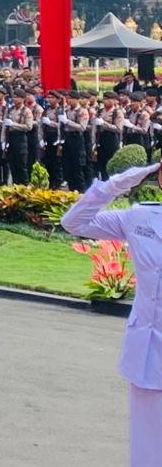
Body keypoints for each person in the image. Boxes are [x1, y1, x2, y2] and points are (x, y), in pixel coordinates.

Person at [61, 160, 162, 466]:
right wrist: (117, 183)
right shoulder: (140, 217)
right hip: (149, 349)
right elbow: (74, 222)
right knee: (147, 447)